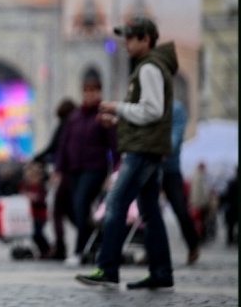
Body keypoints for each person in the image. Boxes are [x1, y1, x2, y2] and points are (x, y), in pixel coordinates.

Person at [76, 17, 178, 289]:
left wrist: (117, 107)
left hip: (142, 150)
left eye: (131, 38)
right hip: (148, 146)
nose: (126, 43)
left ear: (146, 40)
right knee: (149, 211)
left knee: (116, 203)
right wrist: (119, 121)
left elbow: (152, 111)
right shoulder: (150, 67)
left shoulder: (149, 68)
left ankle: (108, 268)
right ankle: (162, 272)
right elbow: (148, 113)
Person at [54, 74, 119, 266]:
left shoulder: (103, 115)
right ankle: (93, 240)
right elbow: (64, 144)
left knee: (82, 203)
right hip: (74, 169)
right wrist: (59, 169)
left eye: (93, 91)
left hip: (95, 168)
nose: (90, 95)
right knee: (75, 207)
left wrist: (115, 170)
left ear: (99, 92)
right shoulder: (75, 117)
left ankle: (79, 250)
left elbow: (114, 145)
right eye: (87, 91)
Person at [34, 99, 77, 260]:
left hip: (65, 172)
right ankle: (90, 239)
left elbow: (54, 146)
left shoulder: (65, 124)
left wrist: (37, 158)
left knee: (59, 211)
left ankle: (61, 247)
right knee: (71, 211)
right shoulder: (76, 123)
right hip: (75, 172)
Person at [160, 99, 200, 264]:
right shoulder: (147, 104)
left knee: (179, 209)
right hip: (149, 165)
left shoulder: (176, 109)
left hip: (169, 168)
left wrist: (160, 150)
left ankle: (193, 244)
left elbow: (175, 137)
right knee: (148, 211)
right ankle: (152, 251)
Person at [20, 162, 50, 258]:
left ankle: (46, 249)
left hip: (40, 215)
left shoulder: (40, 188)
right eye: (28, 177)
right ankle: (42, 250)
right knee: (33, 234)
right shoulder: (25, 187)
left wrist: (33, 198)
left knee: (37, 233)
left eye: (33, 177)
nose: (30, 179)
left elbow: (42, 200)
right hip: (30, 215)